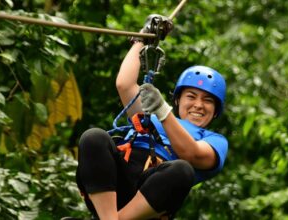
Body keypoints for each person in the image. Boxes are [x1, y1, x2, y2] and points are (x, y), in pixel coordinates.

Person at [75, 15, 228, 220]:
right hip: (115, 185)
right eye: (191, 97)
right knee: (93, 137)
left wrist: (162, 111)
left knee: (182, 169)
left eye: (208, 100)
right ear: (178, 101)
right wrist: (141, 40)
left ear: (216, 110)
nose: (198, 105)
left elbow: (192, 154)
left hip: (152, 196)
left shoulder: (215, 141)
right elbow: (125, 85)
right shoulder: (152, 117)